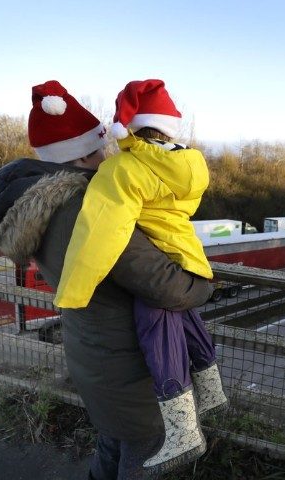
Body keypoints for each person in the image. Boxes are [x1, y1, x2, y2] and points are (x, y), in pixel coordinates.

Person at [0, 80, 213, 479]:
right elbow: (163, 284)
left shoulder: (33, 200)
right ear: (83, 155)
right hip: (126, 363)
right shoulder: (86, 210)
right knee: (143, 451)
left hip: (92, 349)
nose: (108, 156)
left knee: (112, 443)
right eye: (102, 148)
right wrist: (203, 285)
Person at [54, 79, 227, 474]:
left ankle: (184, 431)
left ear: (126, 129)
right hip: (187, 256)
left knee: (158, 336)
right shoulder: (187, 162)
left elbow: (101, 231)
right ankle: (211, 390)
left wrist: (73, 291)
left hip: (161, 266)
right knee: (184, 323)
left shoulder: (123, 169)